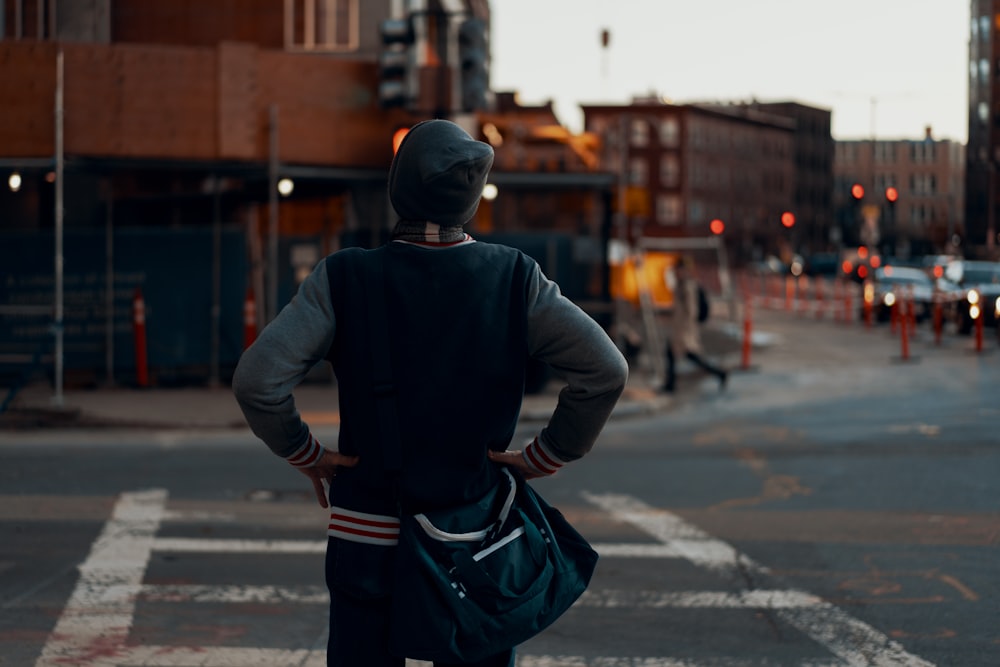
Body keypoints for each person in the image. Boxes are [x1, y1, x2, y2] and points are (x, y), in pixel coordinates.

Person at [232, 118, 628, 667]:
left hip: (367, 531)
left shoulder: (343, 277)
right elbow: (605, 370)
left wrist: (307, 454)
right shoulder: (515, 277)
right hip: (476, 537)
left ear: (399, 188)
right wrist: (548, 453)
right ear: (469, 198)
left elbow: (257, 380)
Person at [661, 256, 727, 393]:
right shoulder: (680, 285)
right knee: (674, 354)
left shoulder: (688, 286)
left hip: (683, 330)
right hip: (679, 328)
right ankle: (670, 384)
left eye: (678, 270)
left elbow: (691, 311)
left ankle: (719, 373)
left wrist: (685, 329)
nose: (676, 272)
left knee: (691, 357)